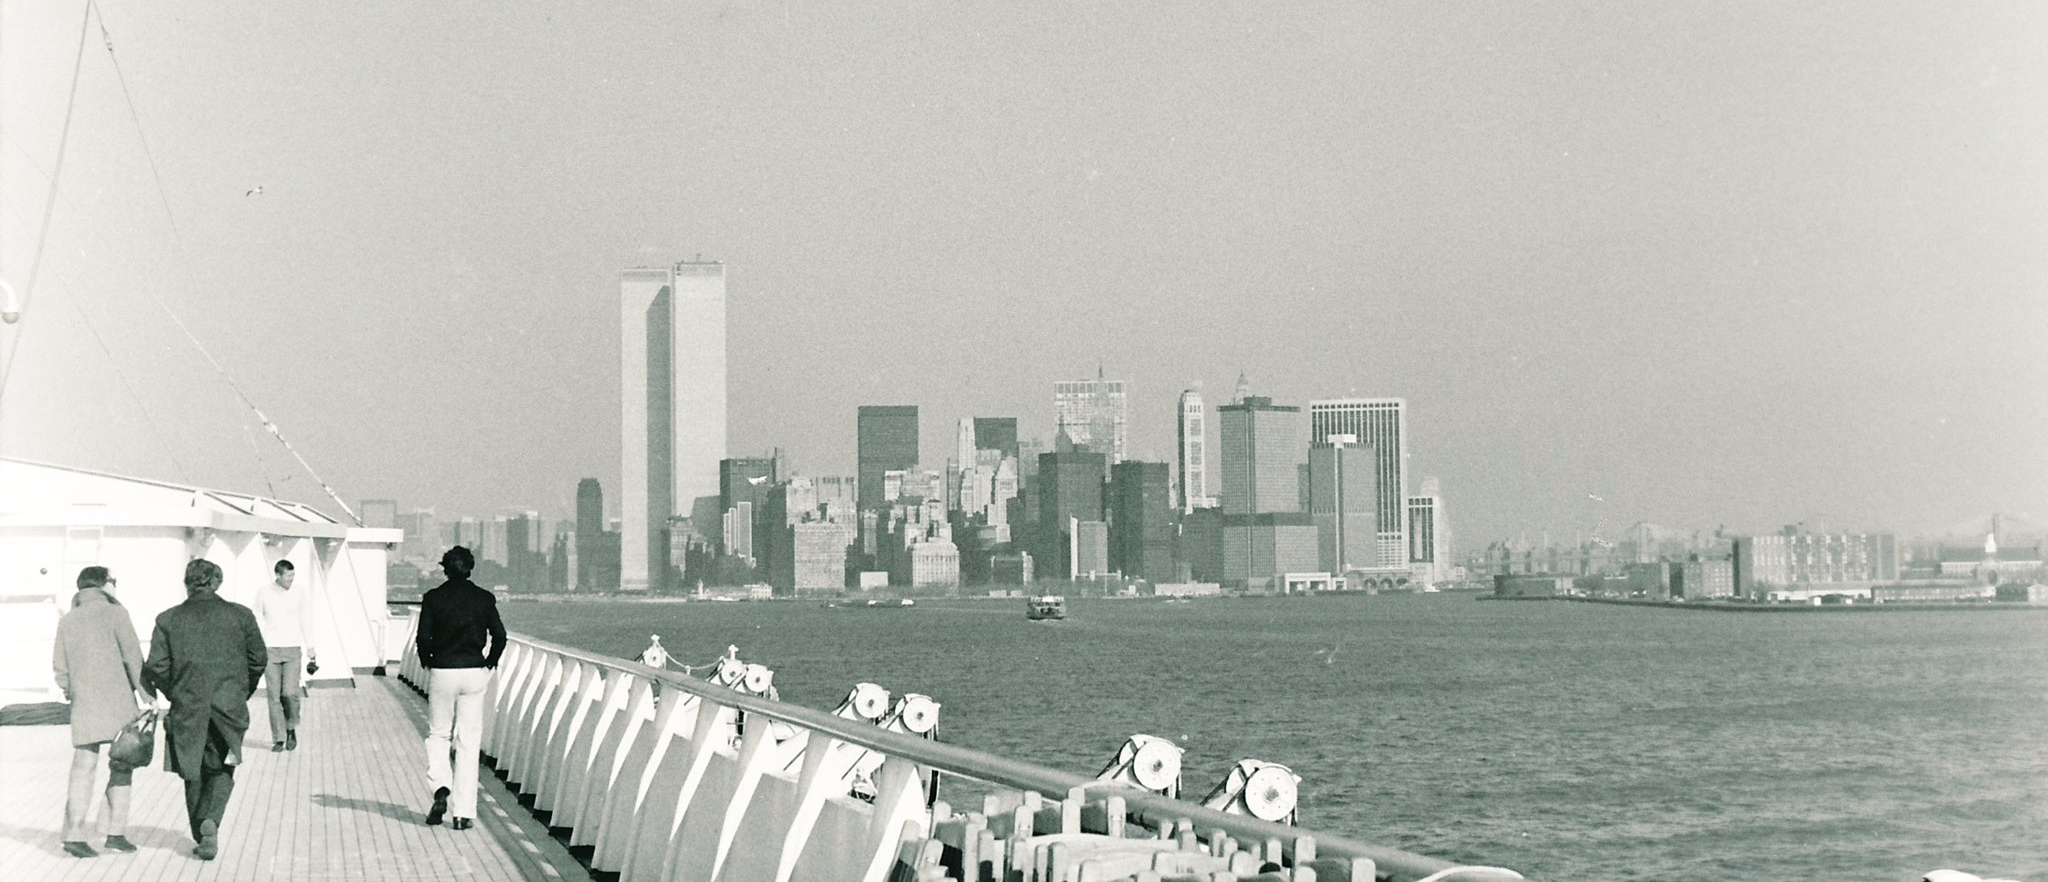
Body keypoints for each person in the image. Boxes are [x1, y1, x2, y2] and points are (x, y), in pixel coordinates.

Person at [142, 559, 268, 861]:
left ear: (187, 583)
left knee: (193, 769)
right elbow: (258, 659)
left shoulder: (168, 620)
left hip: (188, 706)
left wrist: (177, 692)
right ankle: (212, 819)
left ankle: (201, 832)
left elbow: (157, 666)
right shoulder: (241, 616)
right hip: (229, 705)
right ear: (216, 582)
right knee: (225, 764)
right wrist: (241, 691)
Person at [51, 567, 147, 858]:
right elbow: (134, 658)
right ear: (104, 585)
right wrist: (147, 695)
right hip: (119, 703)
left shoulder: (67, 620)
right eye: (113, 581)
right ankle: (114, 832)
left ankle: (74, 835)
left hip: (85, 704)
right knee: (122, 765)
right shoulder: (118, 613)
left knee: (83, 768)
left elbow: (60, 667)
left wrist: (72, 691)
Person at [415, 546, 505, 830]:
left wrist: (428, 663)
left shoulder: (433, 598)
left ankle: (441, 788)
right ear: (470, 568)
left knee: (439, 735)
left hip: (443, 670)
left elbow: (423, 638)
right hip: (474, 672)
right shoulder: (484, 598)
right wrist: (489, 663)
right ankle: (463, 813)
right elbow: (500, 637)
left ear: (445, 568)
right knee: (468, 740)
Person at [253, 559, 315, 751]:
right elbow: (255, 620)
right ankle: (279, 738)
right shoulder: (263, 593)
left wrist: (311, 646)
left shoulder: (299, 593)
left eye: (293, 575)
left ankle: (291, 727)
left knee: (289, 693)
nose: (291, 579)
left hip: (292, 649)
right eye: (288, 576)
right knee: (274, 696)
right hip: (270, 650)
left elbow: (306, 619)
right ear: (278, 575)